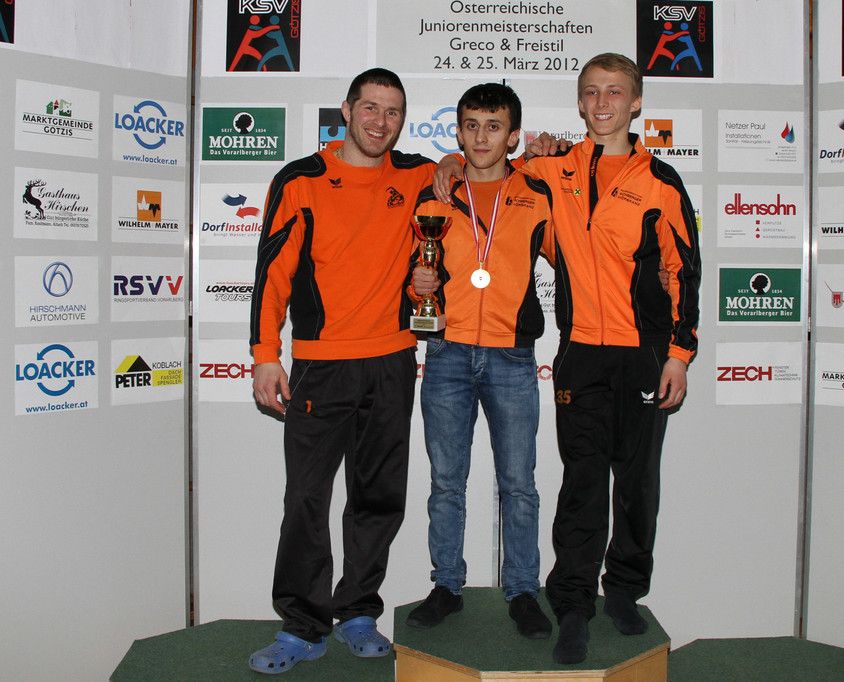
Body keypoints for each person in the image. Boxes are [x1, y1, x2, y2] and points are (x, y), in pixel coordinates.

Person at [439, 53, 701, 665]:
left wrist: (679, 355)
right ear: (580, 102)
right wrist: (449, 160)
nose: (603, 102)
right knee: (582, 482)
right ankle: (575, 603)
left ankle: (625, 591)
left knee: (636, 482)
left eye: (615, 92)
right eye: (592, 92)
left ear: (636, 102)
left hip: (643, 355)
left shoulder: (662, 181)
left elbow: (684, 270)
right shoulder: (551, 170)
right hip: (579, 352)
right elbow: (486, 164)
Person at [247, 68, 436, 675]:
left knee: (377, 496)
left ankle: (357, 610)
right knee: (306, 498)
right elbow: (273, 272)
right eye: (370, 108)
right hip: (320, 366)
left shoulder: (419, 176)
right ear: (348, 111)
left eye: (393, 111)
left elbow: (479, 169)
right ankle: (302, 625)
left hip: (393, 361)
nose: (381, 122)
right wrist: (264, 354)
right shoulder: (301, 179)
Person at [404, 83, 555, 640]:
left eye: (494, 126)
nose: (481, 137)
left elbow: (577, 256)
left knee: (519, 484)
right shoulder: (435, 197)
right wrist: (418, 285)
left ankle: (523, 591)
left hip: (512, 356)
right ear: (458, 131)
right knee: (446, 482)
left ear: (513, 136)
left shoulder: (538, 193)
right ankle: (447, 585)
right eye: (471, 125)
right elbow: (414, 275)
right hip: (446, 352)